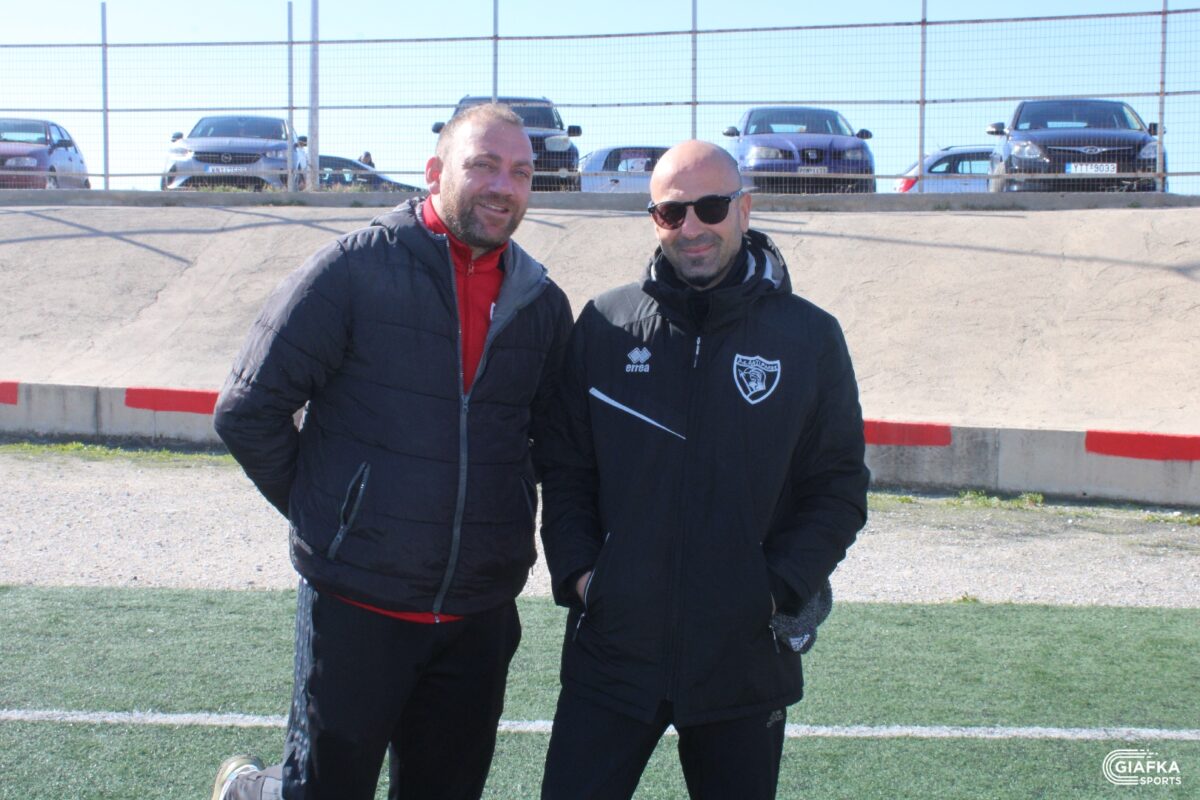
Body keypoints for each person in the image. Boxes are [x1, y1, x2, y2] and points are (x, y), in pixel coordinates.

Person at [208, 103, 573, 800]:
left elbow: (554, 447)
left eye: (522, 172)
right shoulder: (354, 269)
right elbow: (248, 410)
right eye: (484, 165)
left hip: (477, 616)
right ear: (435, 172)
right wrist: (338, 519)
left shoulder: (542, 303)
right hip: (358, 606)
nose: (504, 186)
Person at [538, 140, 869, 799]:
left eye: (711, 207)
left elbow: (838, 489)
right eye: (671, 212)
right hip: (613, 652)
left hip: (742, 658)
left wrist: (772, 591)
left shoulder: (808, 337)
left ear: (744, 210)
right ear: (654, 220)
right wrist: (584, 579)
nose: (691, 227)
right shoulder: (604, 325)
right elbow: (566, 468)